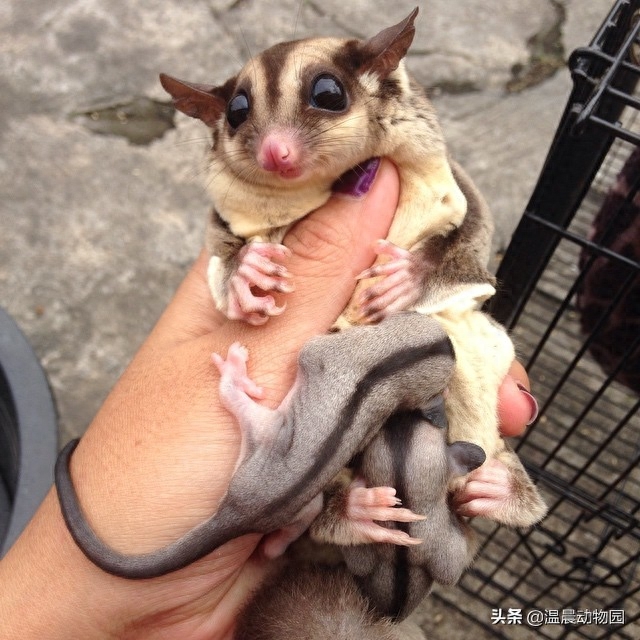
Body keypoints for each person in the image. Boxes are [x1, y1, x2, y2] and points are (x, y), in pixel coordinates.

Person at [0, 159, 537, 640]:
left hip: (352, 526)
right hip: (315, 541)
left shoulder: (454, 298)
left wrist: (504, 486)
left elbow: (466, 255)